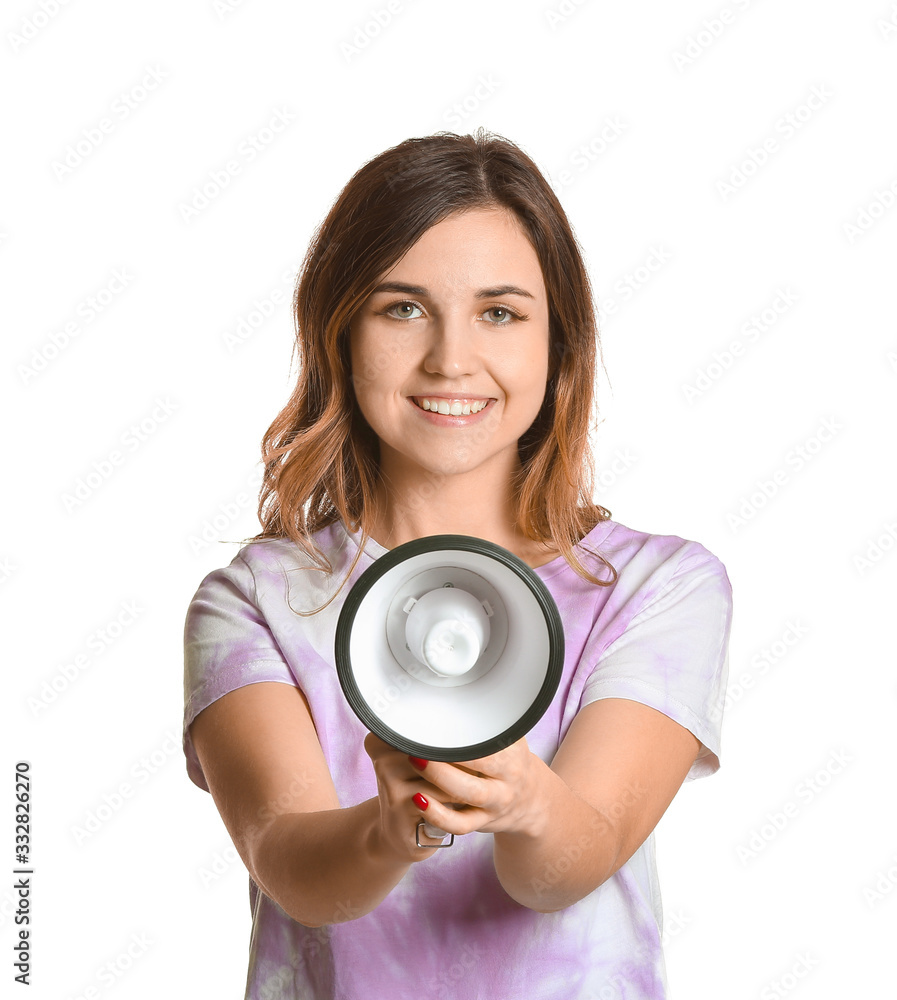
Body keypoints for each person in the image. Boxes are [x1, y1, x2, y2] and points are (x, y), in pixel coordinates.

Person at [182, 128, 733, 999]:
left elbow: (563, 869)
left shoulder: (653, 589)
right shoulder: (257, 600)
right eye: (401, 308)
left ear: (558, 345)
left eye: (500, 312)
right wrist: (389, 830)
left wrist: (521, 801)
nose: (450, 358)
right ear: (339, 334)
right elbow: (289, 865)